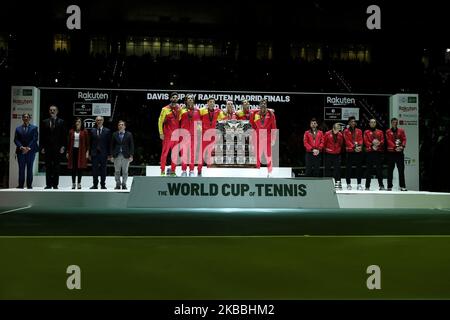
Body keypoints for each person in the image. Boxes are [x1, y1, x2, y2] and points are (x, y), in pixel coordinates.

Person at [40, 105, 66, 189]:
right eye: (50, 110)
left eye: (54, 110)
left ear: (57, 111)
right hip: (47, 148)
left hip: (58, 148)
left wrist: (63, 146)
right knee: (48, 167)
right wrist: (42, 147)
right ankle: (48, 184)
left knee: (56, 167)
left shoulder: (61, 122)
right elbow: (42, 136)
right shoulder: (45, 122)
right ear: (49, 111)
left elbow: (64, 136)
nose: (52, 111)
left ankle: (55, 185)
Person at [252, 99, 277, 177]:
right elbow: (252, 125)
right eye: (261, 103)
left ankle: (270, 172)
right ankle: (257, 171)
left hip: (267, 137)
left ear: (266, 105)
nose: (263, 104)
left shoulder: (271, 114)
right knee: (257, 155)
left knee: (268, 155)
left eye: (265, 103)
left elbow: (274, 127)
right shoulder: (255, 113)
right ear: (259, 105)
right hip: (258, 137)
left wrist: (273, 139)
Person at [158, 92, 181, 176]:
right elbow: (160, 121)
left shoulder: (179, 108)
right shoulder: (165, 109)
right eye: (173, 97)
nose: (174, 99)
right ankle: (162, 171)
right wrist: (161, 133)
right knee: (164, 153)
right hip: (167, 135)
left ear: (177, 99)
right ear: (170, 99)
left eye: (176, 97)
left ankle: (173, 171)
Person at [14, 113, 39, 189]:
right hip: (21, 151)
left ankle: (29, 186)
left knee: (29, 168)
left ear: (29, 118)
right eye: (24, 117)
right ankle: (20, 185)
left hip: (31, 151)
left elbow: (35, 139)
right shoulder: (18, 128)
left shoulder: (34, 128)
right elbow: (16, 139)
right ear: (22, 118)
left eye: (27, 117)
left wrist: (28, 148)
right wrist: (21, 147)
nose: (26, 118)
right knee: (21, 169)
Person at [179, 94, 202, 177]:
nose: (190, 100)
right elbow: (177, 122)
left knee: (192, 154)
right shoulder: (181, 110)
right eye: (188, 98)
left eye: (191, 98)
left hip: (193, 135)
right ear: (186, 100)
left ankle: (192, 170)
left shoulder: (197, 111)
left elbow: (199, 124)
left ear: (193, 100)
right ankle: (184, 170)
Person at [199, 97, 223, 171]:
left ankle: (209, 168)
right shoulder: (202, 111)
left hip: (213, 134)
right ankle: (199, 168)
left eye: (213, 102)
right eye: (210, 102)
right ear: (207, 103)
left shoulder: (218, 111)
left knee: (210, 151)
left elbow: (223, 118)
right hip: (204, 134)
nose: (212, 103)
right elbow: (197, 118)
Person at [66, 118, 89, 189]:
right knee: (73, 168)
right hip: (73, 151)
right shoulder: (71, 131)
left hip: (81, 151)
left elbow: (87, 143)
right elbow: (68, 143)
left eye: (79, 121)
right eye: (76, 121)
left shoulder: (84, 131)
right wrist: (67, 152)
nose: (78, 123)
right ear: (75, 123)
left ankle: (79, 183)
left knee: (80, 168)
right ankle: (73, 183)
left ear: (81, 123)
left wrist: (87, 152)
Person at [111, 120, 134, 190]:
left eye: (122, 125)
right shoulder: (114, 134)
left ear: (125, 126)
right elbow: (112, 146)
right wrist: (111, 155)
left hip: (126, 155)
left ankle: (124, 184)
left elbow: (131, 145)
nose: (120, 126)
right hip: (117, 155)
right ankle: (118, 184)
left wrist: (131, 155)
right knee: (117, 171)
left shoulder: (129, 134)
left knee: (125, 171)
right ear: (118, 126)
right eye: (119, 125)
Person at [89, 116, 111, 189]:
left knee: (103, 170)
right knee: (94, 170)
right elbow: (90, 143)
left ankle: (103, 185)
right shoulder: (92, 130)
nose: (99, 121)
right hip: (94, 153)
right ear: (96, 121)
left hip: (104, 154)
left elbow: (109, 143)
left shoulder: (107, 131)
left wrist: (109, 154)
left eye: (100, 120)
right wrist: (89, 153)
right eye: (97, 120)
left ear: (103, 121)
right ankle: (95, 185)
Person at [385, 117, 407, 191]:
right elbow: (388, 141)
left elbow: (404, 139)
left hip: (399, 153)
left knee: (401, 170)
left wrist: (402, 146)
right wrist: (395, 147)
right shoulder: (388, 131)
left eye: (396, 122)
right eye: (394, 122)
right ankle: (389, 186)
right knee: (390, 170)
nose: (395, 123)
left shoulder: (401, 131)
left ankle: (402, 186)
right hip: (391, 153)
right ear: (391, 123)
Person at [364, 118, 385, 191]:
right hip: (370, 153)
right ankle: (367, 186)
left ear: (376, 123)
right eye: (371, 122)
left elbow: (382, 140)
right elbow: (366, 141)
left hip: (378, 153)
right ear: (369, 123)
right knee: (368, 170)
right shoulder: (366, 132)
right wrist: (372, 146)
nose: (373, 123)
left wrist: (378, 144)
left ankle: (381, 185)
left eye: (374, 122)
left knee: (379, 170)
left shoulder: (380, 132)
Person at [343, 116, 364, 190]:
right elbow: (347, 141)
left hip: (358, 151)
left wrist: (359, 147)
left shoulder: (359, 130)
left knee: (359, 168)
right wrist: (354, 147)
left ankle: (359, 184)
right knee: (348, 169)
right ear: (349, 122)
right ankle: (348, 184)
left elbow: (361, 139)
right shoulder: (345, 131)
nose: (353, 122)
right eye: (352, 121)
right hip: (350, 151)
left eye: (354, 121)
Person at [323, 123, 344, 189]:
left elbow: (341, 144)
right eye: (337, 130)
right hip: (328, 154)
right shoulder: (327, 134)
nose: (338, 131)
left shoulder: (340, 134)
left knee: (337, 169)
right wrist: (326, 150)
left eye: (339, 130)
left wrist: (338, 150)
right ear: (333, 128)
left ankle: (338, 183)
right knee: (327, 169)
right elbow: (324, 143)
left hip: (337, 154)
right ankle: (327, 183)